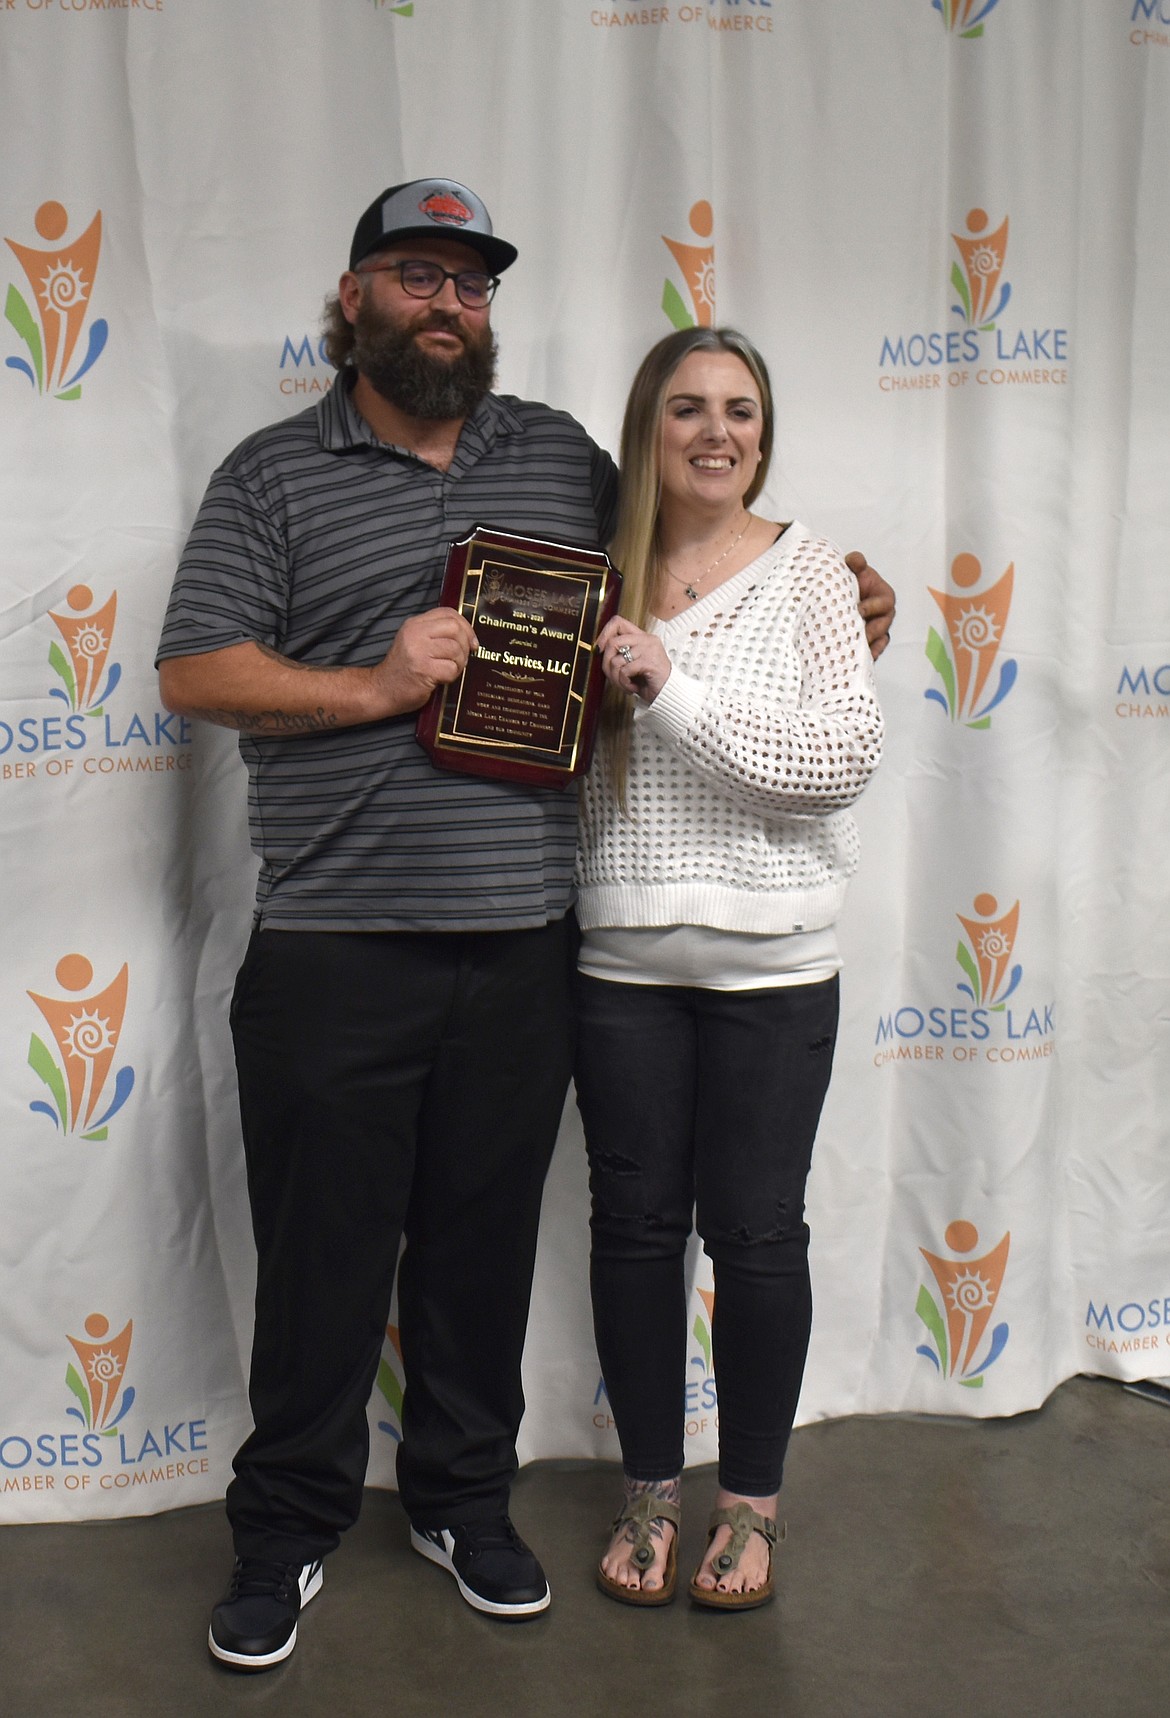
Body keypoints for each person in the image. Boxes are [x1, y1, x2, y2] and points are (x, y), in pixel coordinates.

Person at [157, 180, 894, 1670]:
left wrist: (832, 595)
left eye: (470, 285)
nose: (445, 305)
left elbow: (684, 560)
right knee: (322, 1258)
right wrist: (372, 682)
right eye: (415, 277)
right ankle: (289, 1524)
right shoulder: (270, 476)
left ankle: (458, 1500)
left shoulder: (558, 458)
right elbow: (198, 671)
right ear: (353, 298)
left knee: (480, 1254)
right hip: (333, 946)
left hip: (520, 943)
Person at [574, 326, 883, 1610]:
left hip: (775, 966)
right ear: (648, 424)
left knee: (757, 1234)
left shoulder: (816, 574)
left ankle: (749, 1504)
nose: (718, 431)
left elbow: (835, 766)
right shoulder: (594, 570)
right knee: (637, 1233)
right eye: (689, 406)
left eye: (742, 410)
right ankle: (651, 1488)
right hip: (619, 963)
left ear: (765, 431)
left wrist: (669, 686)